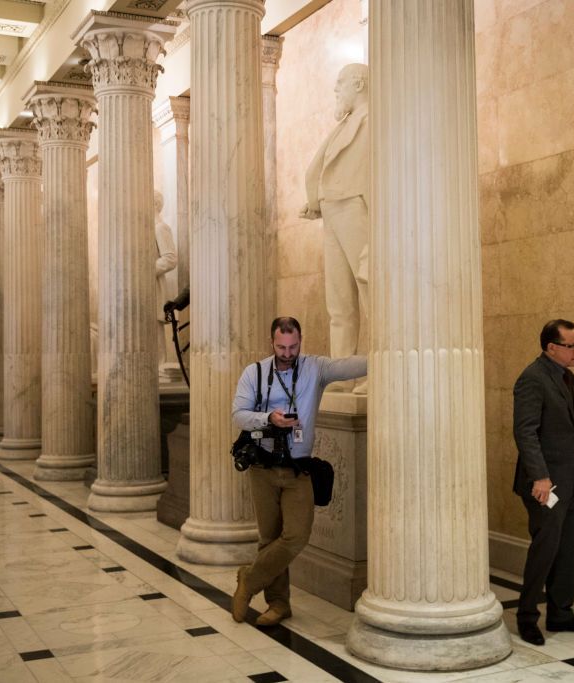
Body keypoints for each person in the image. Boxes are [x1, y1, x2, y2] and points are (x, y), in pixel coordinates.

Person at [231, 317, 367, 626]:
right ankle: (279, 604)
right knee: (269, 538)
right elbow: (238, 415)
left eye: (293, 346)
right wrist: (269, 418)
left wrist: (387, 354)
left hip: (297, 468)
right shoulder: (255, 373)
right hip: (263, 466)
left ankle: (248, 580)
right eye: (282, 347)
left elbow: (351, 365)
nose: (288, 352)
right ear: (272, 343)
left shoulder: (315, 368)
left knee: (296, 535)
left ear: (301, 341)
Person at [512, 319, 574, 646]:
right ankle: (526, 616)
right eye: (571, 345)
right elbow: (525, 431)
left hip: (568, 480)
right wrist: (540, 476)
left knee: (565, 547)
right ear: (552, 347)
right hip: (545, 485)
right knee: (545, 547)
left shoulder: (565, 375)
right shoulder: (533, 379)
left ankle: (561, 613)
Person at [300, 63, 369, 393]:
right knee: (339, 302)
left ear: (358, 82)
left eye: (340, 83)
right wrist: (316, 199)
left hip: (357, 205)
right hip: (332, 210)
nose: (335, 90)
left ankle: (376, 370)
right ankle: (343, 373)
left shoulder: (373, 119)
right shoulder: (344, 124)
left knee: (370, 291)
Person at [153, 191, 178, 378]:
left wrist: (145, 270)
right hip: (145, 288)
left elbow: (170, 258)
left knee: (155, 331)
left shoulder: (160, 227)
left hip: (153, 287)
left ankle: (159, 369)